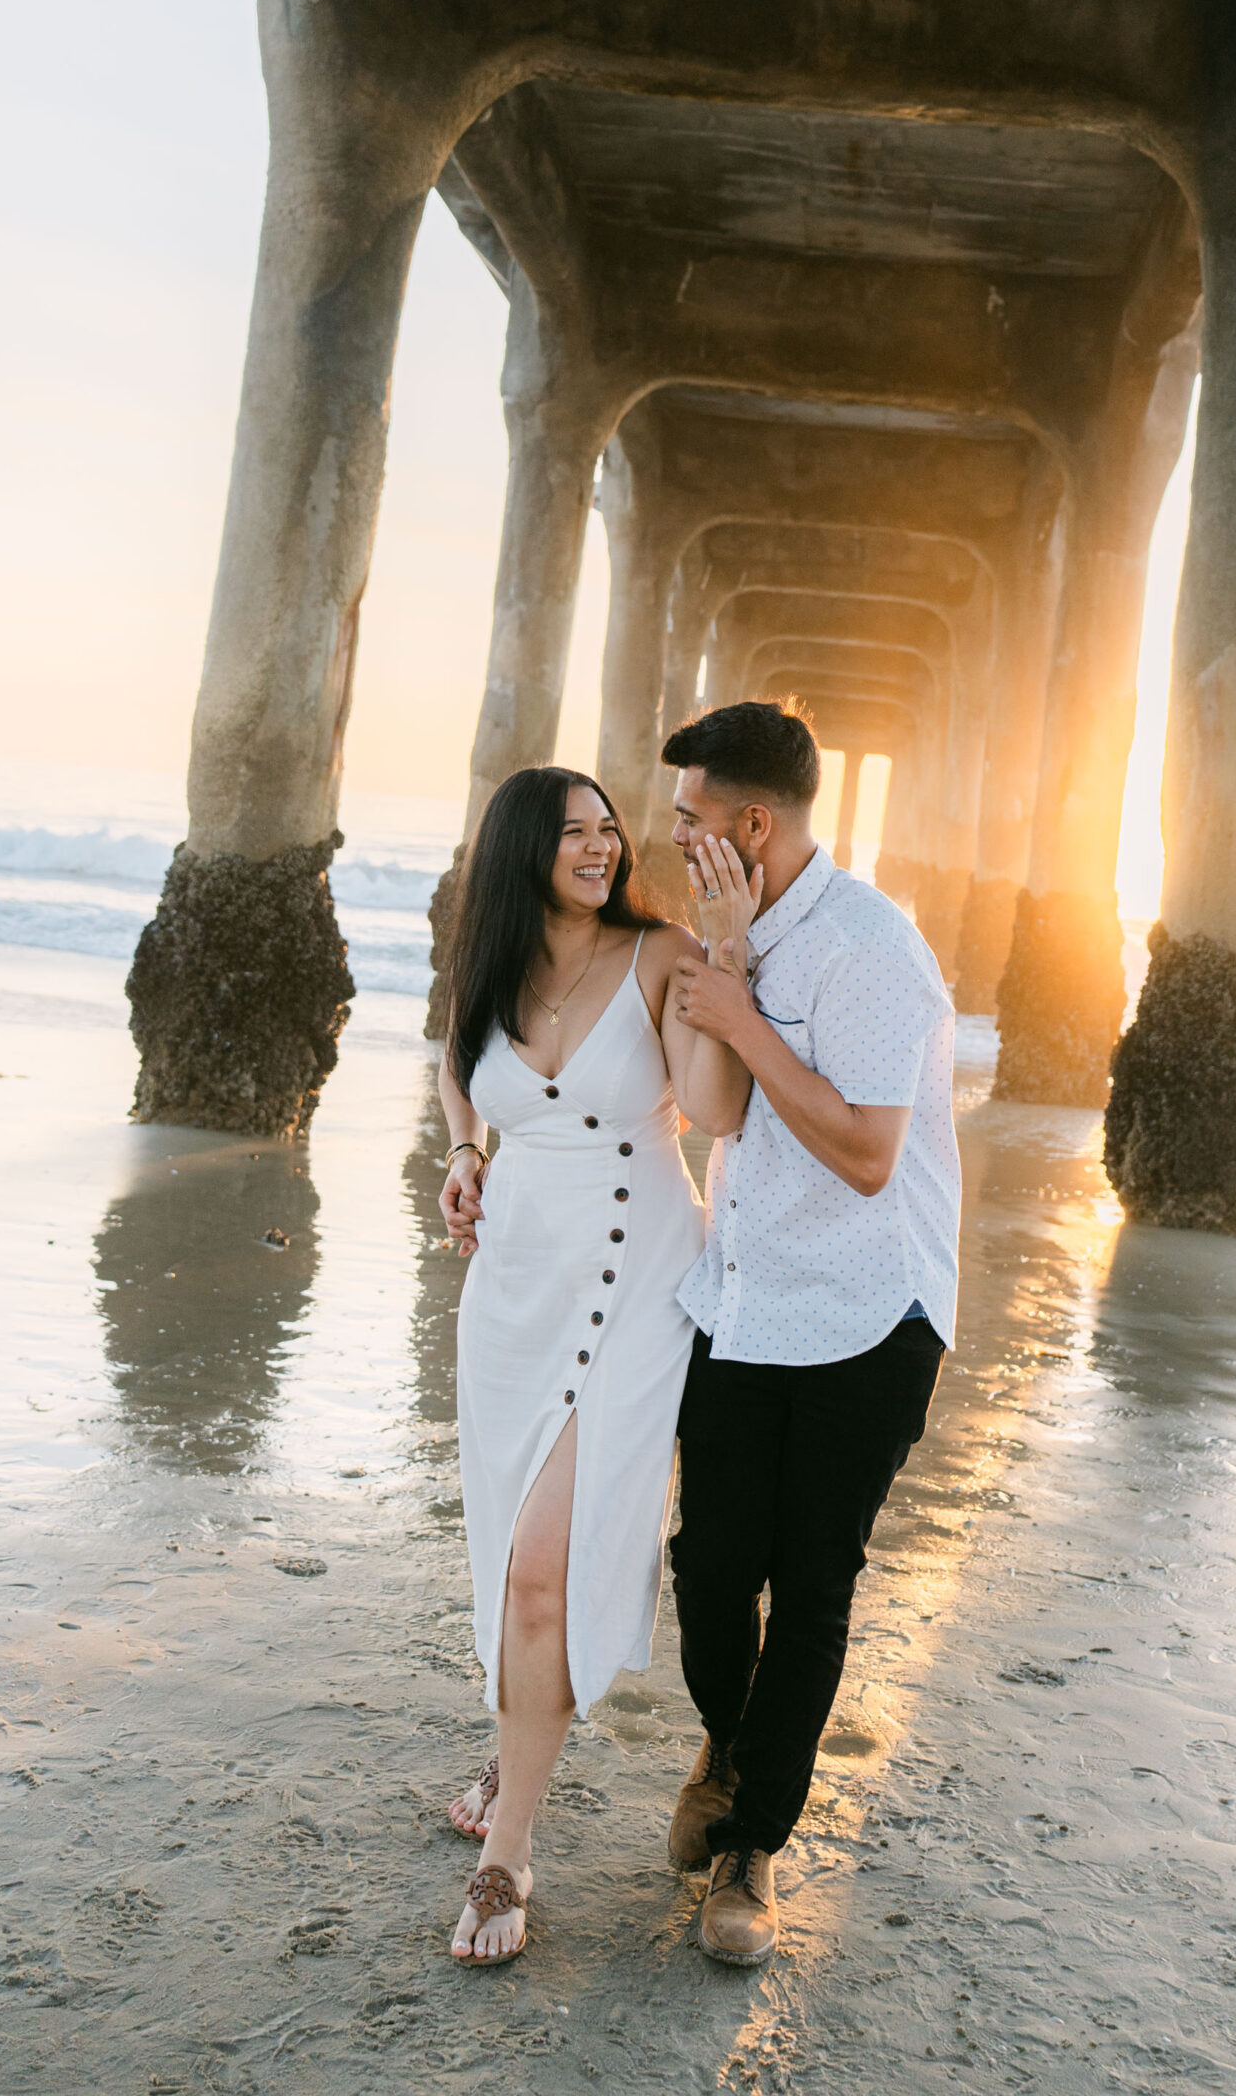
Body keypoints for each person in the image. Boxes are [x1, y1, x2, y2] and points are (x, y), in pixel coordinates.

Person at [435, 765, 752, 1965]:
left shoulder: (663, 954)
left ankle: (507, 1849)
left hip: (629, 1286)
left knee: (544, 1573)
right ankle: (516, 1738)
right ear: (523, 849)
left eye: (608, 828)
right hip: (513, 1287)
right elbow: (456, 1063)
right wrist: (465, 1153)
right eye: (572, 831)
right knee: (511, 1554)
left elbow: (715, 1111)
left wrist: (723, 961)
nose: (601, 844)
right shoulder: (493, 966)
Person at [663, 699, 961, 1966]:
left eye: (686, 820)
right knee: (710, 1565)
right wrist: (724, 975)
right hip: (744, 1298)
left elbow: (861, 1153)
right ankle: (727, 1750)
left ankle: (753, 1847)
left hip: (866, 1312)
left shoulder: (871, 949)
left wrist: (740, 1016)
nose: (670, 836)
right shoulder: (725, 937)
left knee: (812, 1580)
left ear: (749, 823)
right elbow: (723, 1119)